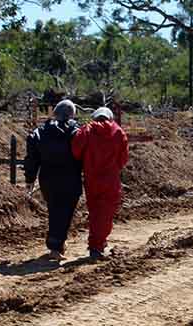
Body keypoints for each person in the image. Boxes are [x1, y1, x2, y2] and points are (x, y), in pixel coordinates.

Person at [24, 99, 82, 261]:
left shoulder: (40, 131)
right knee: (65, 213)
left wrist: (30, 178)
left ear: (55, 113)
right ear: (71, 115)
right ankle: (55, 246)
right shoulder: (76, 131)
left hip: (47, 179)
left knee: (55, 210)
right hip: (70, 178)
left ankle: (56, 243)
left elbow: (31, 158)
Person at [71, 107, 129, 260]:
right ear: (109, 117)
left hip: (92, 179)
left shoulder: (86, 130)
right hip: (111, 179)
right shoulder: (118, 132)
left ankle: (97, 243)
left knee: (95, 212)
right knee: (106, 213)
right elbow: (123, 158)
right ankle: (98, 244)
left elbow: (76, 151)